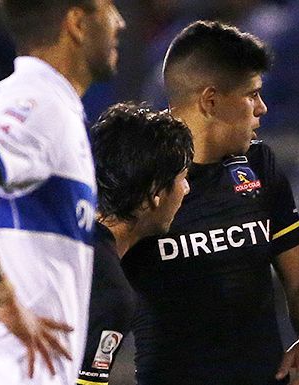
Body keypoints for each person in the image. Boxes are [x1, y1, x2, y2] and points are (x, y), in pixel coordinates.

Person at [121, 20, 299, 385]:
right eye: (252, 95)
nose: (262, 108)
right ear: (211, 101)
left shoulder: (259, 167)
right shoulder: (139, 181)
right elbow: (96, 293)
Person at [0, 1, 124, 384]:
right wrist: (3, 297)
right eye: (108, 8)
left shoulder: (46, 103)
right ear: (78, 23)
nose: (121, 21)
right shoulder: (39, 101)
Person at [77, 103, 193, 385]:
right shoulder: (111, 292)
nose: (187, 189)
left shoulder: (60, 235)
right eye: (182, 178)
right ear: (155, 193)